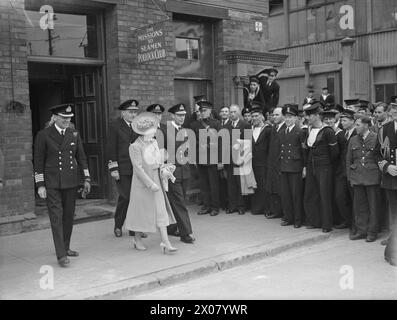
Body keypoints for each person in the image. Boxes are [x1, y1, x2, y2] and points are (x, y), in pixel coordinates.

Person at [33, 104, 91, 267]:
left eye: (69, 118)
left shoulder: (74, 134)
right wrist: (40, 184)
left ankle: (65, 247)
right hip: (52, 183)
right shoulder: (43, 135)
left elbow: (82, 157)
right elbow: (38, 162)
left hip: (70, 181)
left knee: (68, 216)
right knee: (56, 217)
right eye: (64, 118)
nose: (67, 120)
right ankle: (61, 255)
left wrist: (86, 178)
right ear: (55, 118)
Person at [124, 112, 177, 253]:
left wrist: (165, 170)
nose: (155, 132)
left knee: (161, 211)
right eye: (152, 130)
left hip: (156, 180)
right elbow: (138, 168)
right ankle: (137, 239)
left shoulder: (154, 142)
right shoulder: (135, 147)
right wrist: (150, 183)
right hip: (142, 184)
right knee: (141, 213)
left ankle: (165, 242)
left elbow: (158, 161)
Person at [107, 99, 147, 238]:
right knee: (126, 197)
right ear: (123, 112)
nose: (133, 115)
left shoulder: (139, 126)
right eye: (130, 112)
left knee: (138, 198)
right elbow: (111, 148)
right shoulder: (115, 126)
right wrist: (113, 169)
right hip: (122, 168)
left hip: (137, 168)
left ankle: (134, 228)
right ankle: (118, 225)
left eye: (135, 112)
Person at [303, 102, 339, 232]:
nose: (308, 118)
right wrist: (306, 167)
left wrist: (325, 165)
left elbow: (334, 153)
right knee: (311, 194)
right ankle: (314, 221)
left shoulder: (328, 131)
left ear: (318, 116)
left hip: (324, 167)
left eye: (310, 115)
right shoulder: (310, 130)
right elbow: (307, 150)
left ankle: (326, 224)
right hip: (312, 166)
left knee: (324, 195)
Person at [346, 115, 381, 242]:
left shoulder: (376, 137)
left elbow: (380, 157)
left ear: (366, 125)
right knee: (359, 205)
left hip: (372, 176)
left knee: (373, 206)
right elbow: (348, 159)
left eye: (358, 125)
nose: (356, 127)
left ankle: (372, 232)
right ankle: (361, 230)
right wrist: (350, 177)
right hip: (357, 176)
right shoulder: (353, 139)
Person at [164, 103, 195, 244]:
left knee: (177, 202)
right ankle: (186, 233)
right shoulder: (165, 131)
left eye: (183, 115)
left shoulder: (185, 131)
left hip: (185, 172)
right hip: (172, 173)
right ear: (172, 116)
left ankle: (172, 227)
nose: (182, 118)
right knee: (179, 203)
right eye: (179, 115)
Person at [190, 100, 222, 216]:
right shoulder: (195, 125)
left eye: (204, 110)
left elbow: (221, 143)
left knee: (214, 184)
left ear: (210, 111)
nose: (202, 113)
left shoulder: (216, 124)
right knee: (203, 184)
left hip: (213, 159)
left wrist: (220, 160)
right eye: (200, 111)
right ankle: (206, 206)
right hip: (200, 158)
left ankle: (215, 207)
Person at [322, 109, 352, 229]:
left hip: (340, 170)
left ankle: (348, 220)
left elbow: (343, 155)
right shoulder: (325, 132)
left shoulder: (340, 134)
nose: (328, 121)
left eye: (331, 119)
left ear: (335, 119)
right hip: (330, 170)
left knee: (340, 196)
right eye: (326, 119)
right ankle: (339, 219)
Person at [376, 102, 397, 265]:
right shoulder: (384, 129)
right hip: (391, 179)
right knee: (394, 215)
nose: (396, 113)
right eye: (394, 110)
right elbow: (376, 153)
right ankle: (392, 254)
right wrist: (387, 166)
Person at [279, 104, 306, 228]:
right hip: (284, 166)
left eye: (290, 117)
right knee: (286, 194)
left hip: (295, 167)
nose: (287, 119)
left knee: (296, 194)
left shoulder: (300, 131)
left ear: (296, 118)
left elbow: (303, 151)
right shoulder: (283, 131)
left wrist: (304, 167)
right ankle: (288, 217)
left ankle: (297, 219)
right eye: (286, 117)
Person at [225, 104, 252, 215]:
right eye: (230, 112)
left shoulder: (245, 125)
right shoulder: (227, 126)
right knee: (231, 183)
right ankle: (232, 205)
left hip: (240, 159)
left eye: (234, 112)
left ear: (239, 113)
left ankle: (241, 206)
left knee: (240, 183)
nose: (232, 114)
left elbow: (248, 142)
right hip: (230, 160)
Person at [250, 105, 272, 215]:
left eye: (256, 116)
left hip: (264, 163)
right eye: (252, 116)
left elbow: (271, 147)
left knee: (264, 186)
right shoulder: (250, 130)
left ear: (262, 116)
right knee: (255, 186)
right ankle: (257, 207)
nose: (254, 118)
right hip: (252, 162)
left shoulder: (268, 129)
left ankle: (266, 208)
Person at [265, 106, 286, 219]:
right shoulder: (274, 128)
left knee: (281, 190)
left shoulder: (285, 128)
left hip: (281, 164)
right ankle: (276, 210)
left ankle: (283, 211)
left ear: (283, 116)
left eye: (277, 115)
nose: (274, 117)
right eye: (273, 115)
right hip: (272, 164)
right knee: (273, 188)